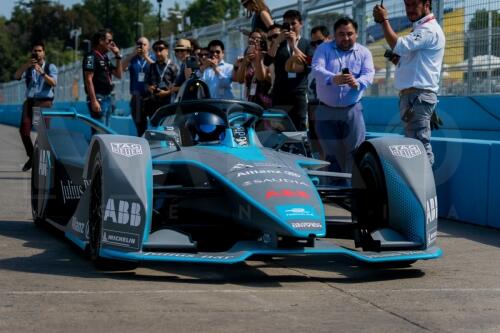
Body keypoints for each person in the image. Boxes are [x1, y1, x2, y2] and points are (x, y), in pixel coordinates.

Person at [373, 0, 445, 165]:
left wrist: (384, 21)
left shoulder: (428, 29)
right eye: (407, 5)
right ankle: (421, 187)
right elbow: (408, 59)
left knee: (420, 147)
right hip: (415, 97)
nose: (410, 9)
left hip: (418, 97)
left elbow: (398, 45)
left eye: (414, 4)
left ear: (427, 4)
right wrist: (397, 59)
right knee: (416, 147)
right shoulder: (422, 28)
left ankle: (425, 188)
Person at [312, 17, 374, 176]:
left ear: (357, 34)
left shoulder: (364, 52)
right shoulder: (323, 49)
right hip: (326, 111)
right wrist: (333, 78)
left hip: (352, 110)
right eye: (341, 34)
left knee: (355, 153)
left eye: (350, 34)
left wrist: (357, 83)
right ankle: (336, 194)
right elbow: (317, 70)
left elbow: (369, 74)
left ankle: (354, 193)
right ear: (334, 35)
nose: (346, 38)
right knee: (332, 156)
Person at [266, 10, 313, 131]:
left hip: (298, 92)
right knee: (279, 127)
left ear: (301, 24)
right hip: (280, 92)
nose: (290, 27)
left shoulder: (307, 43)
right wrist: (277, 41)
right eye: (287, 24)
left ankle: (300, 150)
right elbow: (267, 60)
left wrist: (294, 46)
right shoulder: (279, 44)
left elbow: (309, 62)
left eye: (294, 23)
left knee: (300, 125)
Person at [14, 41, 58, 171]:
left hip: (44, 102)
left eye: (39, 50)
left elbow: (54, 83)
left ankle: (43, 164)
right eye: (35, 50)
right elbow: (16, 76)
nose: (37, 53)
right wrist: (25, 66)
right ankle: (32, 156)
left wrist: (42, 73)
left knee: (42, 134)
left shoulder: (50, 67)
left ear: (44, 53)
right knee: (24, 131)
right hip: (30, 102)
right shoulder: (28, 67)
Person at [82, 28, 123, 128]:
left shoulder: (104, 58)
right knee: (99, 131)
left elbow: (119, 74)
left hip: (108, 97)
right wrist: (94, 100)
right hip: (98, 97)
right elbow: (88, 79)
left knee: (106, 131)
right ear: (100, 41)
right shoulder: (91, 56)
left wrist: (118, 56)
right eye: (109, 41)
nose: (111, 44)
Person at [121, 36, 155, 136]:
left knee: (154, 123)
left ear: (148, 47)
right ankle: (142, 142)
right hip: (137, 97)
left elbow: (157, 68)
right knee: (140, 126)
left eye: (144, 44)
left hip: (150, 97)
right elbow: (121, 68)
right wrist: (132, 54)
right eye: (139, 44)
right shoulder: (133, 59)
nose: (141, 46)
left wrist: (146, 57)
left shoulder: (152, 57)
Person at [233, 31, 272, 108]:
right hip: (251, 101)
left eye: (256, 39)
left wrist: (258, 59)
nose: (253, 40)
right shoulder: (248, 56)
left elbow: (263, 78)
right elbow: (240, 81)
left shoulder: (266, 56)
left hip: (265, 101)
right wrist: (244, 62)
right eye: (251, 38)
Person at [145, 40, 178, 116]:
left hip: (169, 102)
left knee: (167, 125)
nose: (158, 53)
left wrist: (167, 92)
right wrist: (150, 88)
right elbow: (146, 82)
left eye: (160, 49)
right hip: (154, 103)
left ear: (167, 50)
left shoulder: (173, 66)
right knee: (154, 125)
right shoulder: (152, 66)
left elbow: (178, 86)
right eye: (155, 50)